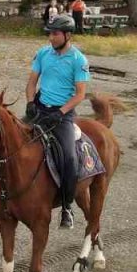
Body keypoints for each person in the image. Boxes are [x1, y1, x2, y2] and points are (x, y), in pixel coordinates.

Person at [25, 15, 90, 229]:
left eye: (55, 33)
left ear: (67, 35)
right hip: (40, 109)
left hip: (62, 115)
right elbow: (32, 82)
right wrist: (30, 102)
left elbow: (80, 94)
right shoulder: (43, 53)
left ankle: (66, 206)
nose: (51, 37)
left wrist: (61, 112)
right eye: (50, 33)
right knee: (10, 140)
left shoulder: (79, 60)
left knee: (69, 158)